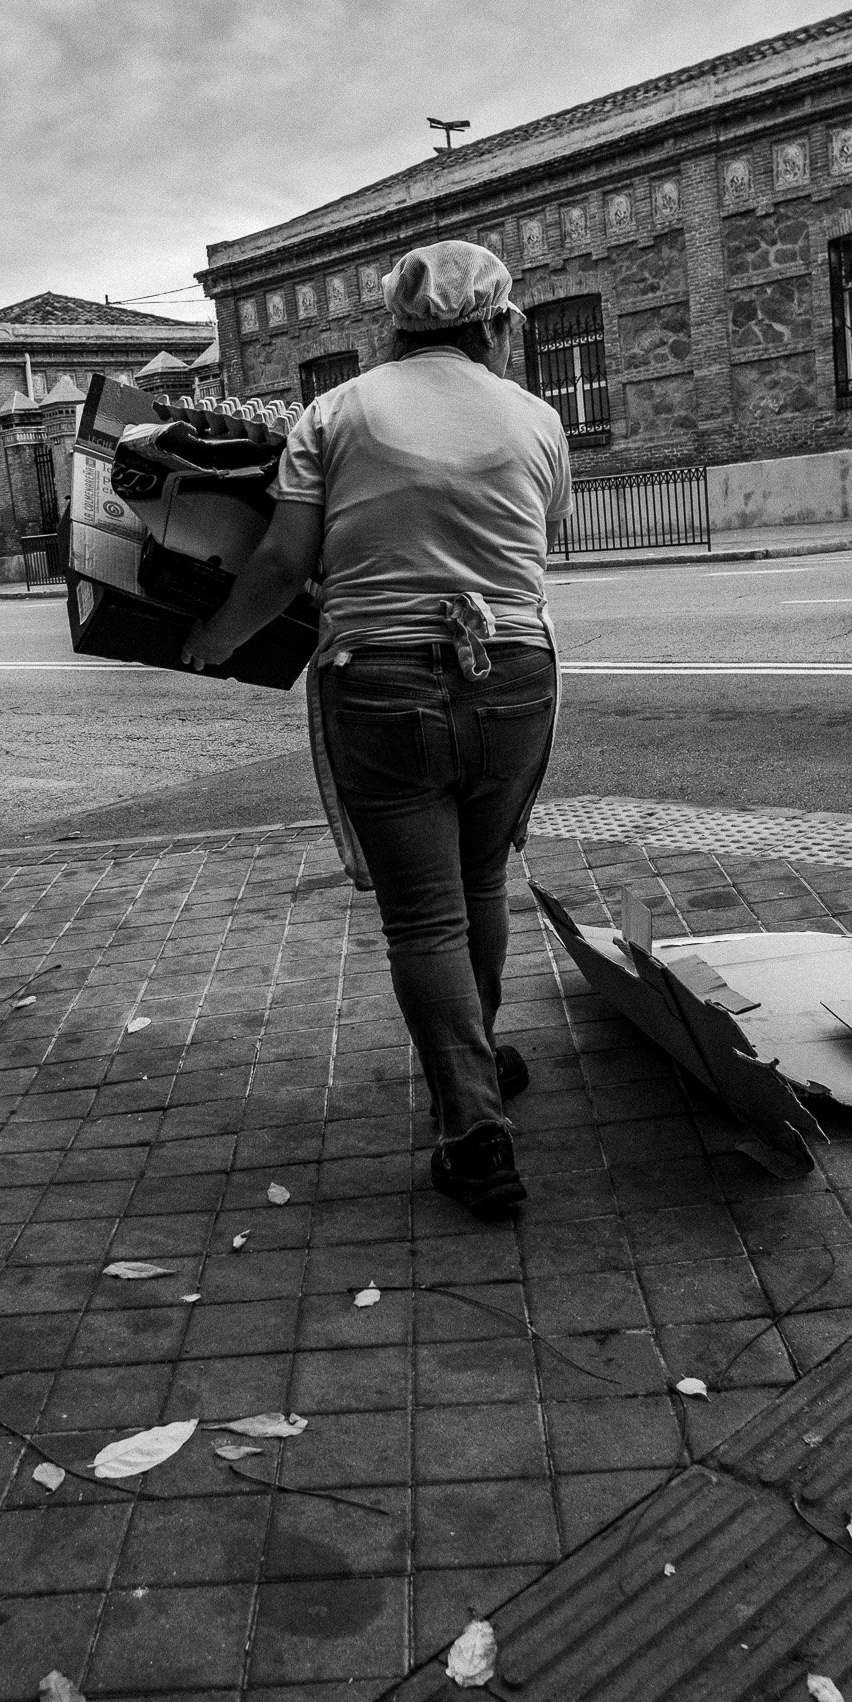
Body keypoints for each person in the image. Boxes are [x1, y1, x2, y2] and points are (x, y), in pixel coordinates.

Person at [183, 240, 572, 1217]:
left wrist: (214, 637)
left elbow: (281, 563)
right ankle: (473, 1062)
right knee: (482, 878)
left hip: (383, 684)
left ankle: (473, 1125)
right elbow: (533, 538)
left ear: (394, 323)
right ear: (495, 322)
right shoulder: (537, 418)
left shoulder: (337, 412)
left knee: (426, 916)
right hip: (515, 677)